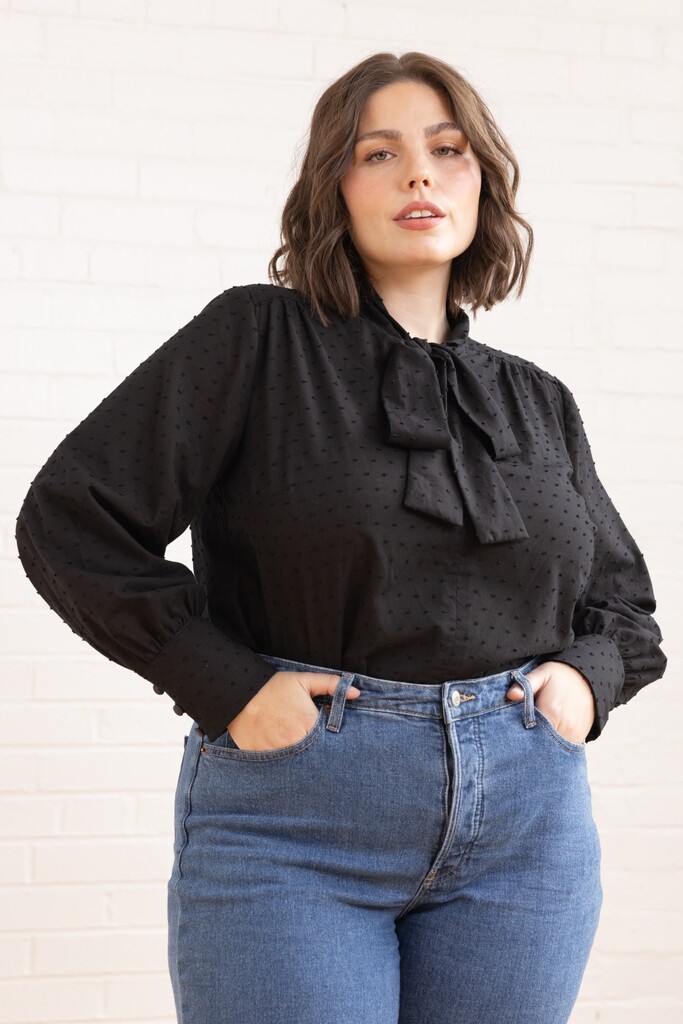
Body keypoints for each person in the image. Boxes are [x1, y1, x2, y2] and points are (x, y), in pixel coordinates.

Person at [14, 51, 667, 1024]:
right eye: (379, 151)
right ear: (333, 184)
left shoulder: (536, 401)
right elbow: (72, 519)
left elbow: (623, 609)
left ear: (481, 180)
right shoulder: (255, 340)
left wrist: (582, 681)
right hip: (296, 822)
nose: (418, 173)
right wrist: (223, 682)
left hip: (527, 831)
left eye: (447, 149)